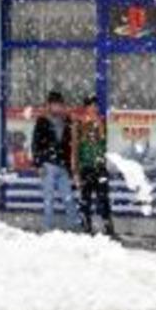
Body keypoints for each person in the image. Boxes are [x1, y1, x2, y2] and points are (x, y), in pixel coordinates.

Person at [31, 91, 79, 231]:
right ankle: (48, 229)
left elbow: (70, 146)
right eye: (55, 105)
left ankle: (74, 227)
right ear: (49, 105)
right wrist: (39, 164)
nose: (57, 108)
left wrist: (71, 169)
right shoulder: (42, 121)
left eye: (60, 105)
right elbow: (36, 144)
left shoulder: (67, 122)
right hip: (48, 165)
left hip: (63, 166)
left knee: (69, 198)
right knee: (48, 200)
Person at [72, 96, 115, 237]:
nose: (94, 108)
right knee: (86, 200)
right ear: (86, 108)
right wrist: (75, 171)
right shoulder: (78, 124)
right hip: (86, 168)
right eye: (91, 106)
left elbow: (105, 144)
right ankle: (87, 229)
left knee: (104, 199)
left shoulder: (102, 122)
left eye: (95, 106)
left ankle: (109, 229)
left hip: (100, 167)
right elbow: (75, 149)